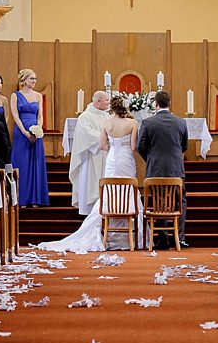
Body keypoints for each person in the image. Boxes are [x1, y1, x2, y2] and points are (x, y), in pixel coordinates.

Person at [38, 94, 141, 254]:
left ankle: (106, 229)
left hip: (112, 159)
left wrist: (113, 148)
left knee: (110, 190)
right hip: (126, 159)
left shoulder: (107, 121)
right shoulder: (132, 123)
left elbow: (102, 145)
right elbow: (133, 147)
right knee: (127, 189)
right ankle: (130, 234)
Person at [136, 90, 189, 249]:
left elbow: (140, 146)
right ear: (169, 103)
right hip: (176, 169)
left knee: (160, 201)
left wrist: (151, 159)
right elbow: (184, 146)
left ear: (156, 104)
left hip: (155, 169)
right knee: (180, 202)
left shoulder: (148, 122)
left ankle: (163, 238)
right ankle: (180, 238)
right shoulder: (181, 122)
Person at [68, 90, 111, 215]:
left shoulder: (107, 116)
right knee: (90, 183)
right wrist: (105, 138)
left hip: (105, 155)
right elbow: (86, 134)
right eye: (106, 100)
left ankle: (103, 210)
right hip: (91, 157)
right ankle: (89, 212)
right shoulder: (85, 116)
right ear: (97, 101)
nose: (108, 103)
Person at [10, 68, 49, 206]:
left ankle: (36, 199)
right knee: (22, 163)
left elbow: (40, 116)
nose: (34, 81)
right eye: (31, 78)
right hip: (21, 132)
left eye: (35, 79)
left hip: (36, 133)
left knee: (35, 164)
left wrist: (38, 130)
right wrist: (25, 133)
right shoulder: (15, 95)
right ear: (24, 80)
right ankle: (22, 199)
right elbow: (15, 116)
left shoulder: (38, 96)